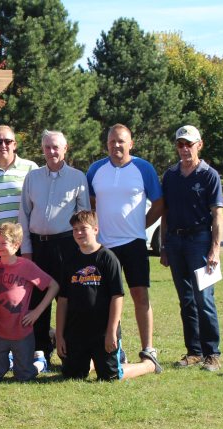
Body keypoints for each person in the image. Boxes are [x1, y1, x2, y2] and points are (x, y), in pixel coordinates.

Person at [57, 211, 162, 381]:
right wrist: (60, 335)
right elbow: (62, 300)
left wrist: (111, 332)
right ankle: (92, 361)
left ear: (96, 229)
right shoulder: (70, 261)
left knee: (110, 376)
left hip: (102, 332)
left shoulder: (108, 258)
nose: (79, 233)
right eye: (75, 229)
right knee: (73, 375)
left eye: (84, 228)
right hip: (76, 331)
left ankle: (148, 365)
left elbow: (117, 297)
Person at [87, 124, 162, 361]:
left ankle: (148, 347)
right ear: (106, 144)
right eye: (112, 142)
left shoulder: (143, 168)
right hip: (105, 246)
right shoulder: (96, 170)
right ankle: (114, 348)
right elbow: (90, 203)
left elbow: (159, 203)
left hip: (134, 243)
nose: (116, 146)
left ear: (131, 143)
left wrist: (142, 225)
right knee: (107, 299)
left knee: (140, 294)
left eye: (121, 141)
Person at [19, 130, 90, 365]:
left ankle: (68, 347)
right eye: (47, 147)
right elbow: (24, 214)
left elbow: (84, 216)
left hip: (67, 245)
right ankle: (40, 350)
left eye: (56, 147)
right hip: (38, 247)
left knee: (66, 297)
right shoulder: (32, 178)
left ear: (65, 148)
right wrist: (26, 250)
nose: (51, 152)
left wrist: (82, 248)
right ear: (42, 149)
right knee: (38, 297)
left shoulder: (77, 177)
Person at [160, 125, 223, 371]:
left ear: (200, 144)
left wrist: (215, 249)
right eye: (180, 144)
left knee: (204, 298)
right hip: (175, 242)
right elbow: (165, 213)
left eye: (189, 144)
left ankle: (212, 353)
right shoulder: (171, 176)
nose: (185, 149)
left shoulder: (209, 175)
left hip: (200, 242)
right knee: (185, 300)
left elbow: (217, 215)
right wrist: (164, 245)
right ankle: (194, 351)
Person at [0, 223, 59, 382]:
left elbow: (53, 286)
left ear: (16, 245)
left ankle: (39, 363)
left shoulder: (26, 266)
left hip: (22, 330)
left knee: (24, 376)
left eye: (3, 243)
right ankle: (9, 360)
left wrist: (37, 312)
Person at [0, 125, 39, 261]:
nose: (3, 145)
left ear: (14, 144)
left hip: (25, 240)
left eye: (8, 141)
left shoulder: (31, 168)